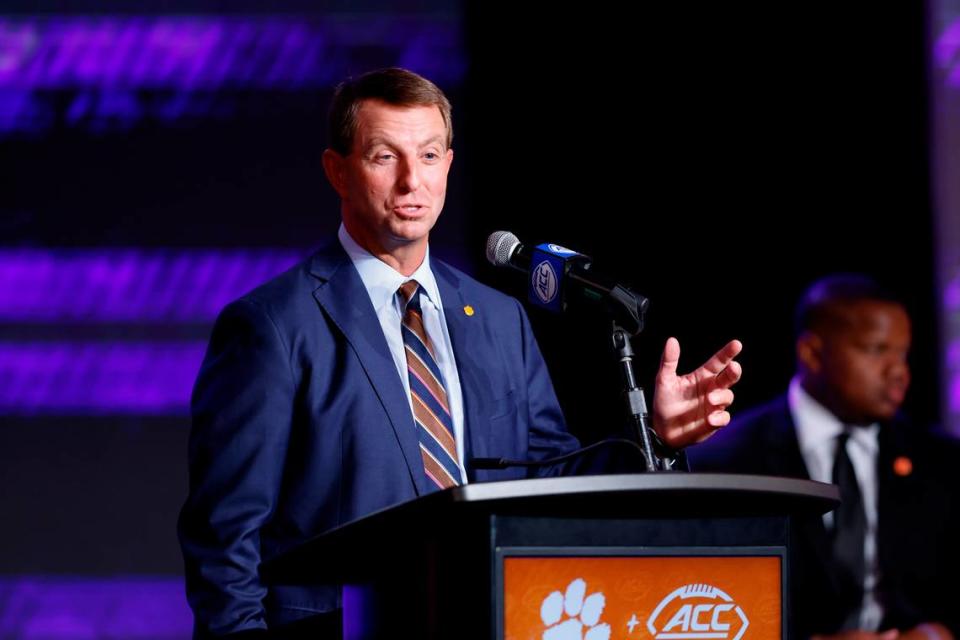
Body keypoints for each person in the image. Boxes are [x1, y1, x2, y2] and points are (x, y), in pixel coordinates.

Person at [177, 67, 743, 638]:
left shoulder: (498, 318)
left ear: (449, 163)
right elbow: (225, 538)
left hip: (494, 617)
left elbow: (547, 479)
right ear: (337, 171)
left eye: (427, 156)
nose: (410, 183)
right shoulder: (271, 325)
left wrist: (657, 439)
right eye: (383, 157)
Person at [689, 274, 960, 640]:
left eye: (902, 353)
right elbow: (704, 600)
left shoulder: (939, 460)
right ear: (812, 353)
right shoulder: (727, 459)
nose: (899, 372)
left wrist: (939, 631)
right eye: (876, 350)